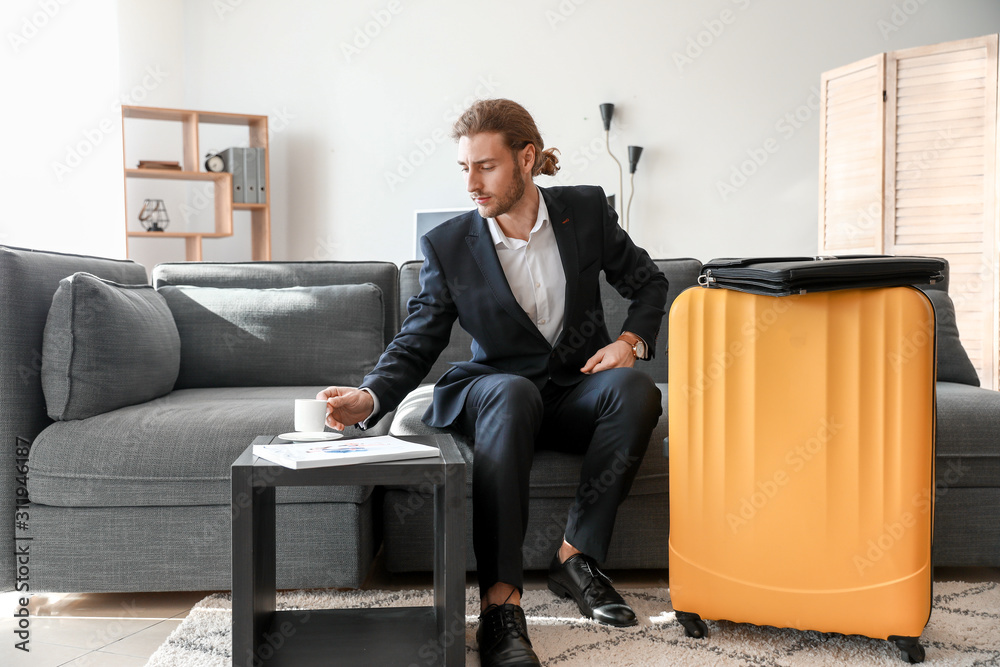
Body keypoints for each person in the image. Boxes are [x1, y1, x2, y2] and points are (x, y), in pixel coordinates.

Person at [319, 98, 667, 667]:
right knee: (511, 390)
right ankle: (501, 608)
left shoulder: (586, 212)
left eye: (486, 167)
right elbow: (420, 337)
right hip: (496, 391)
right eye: (465, 169)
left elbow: (649, 283)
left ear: (526, 158)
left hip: (575, 389)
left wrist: (629, 344)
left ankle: (575, 561)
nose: (473, 184)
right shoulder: (450, 244)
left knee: (637, 388)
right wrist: (370, 395)